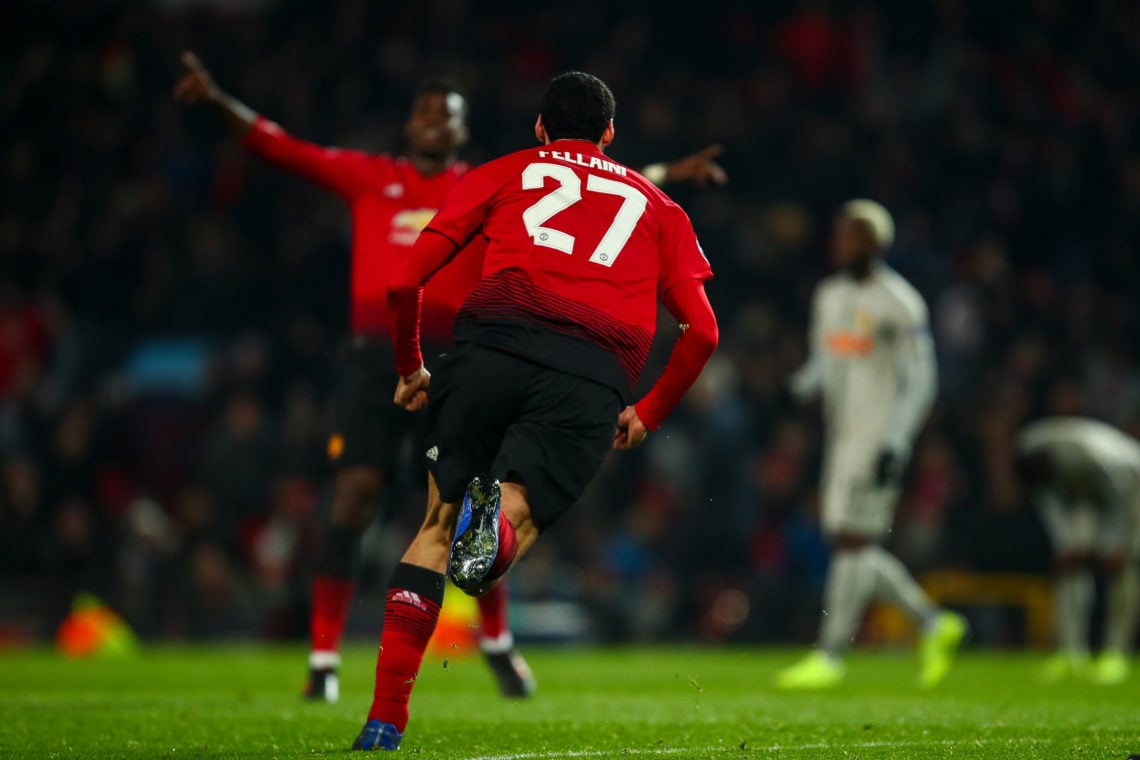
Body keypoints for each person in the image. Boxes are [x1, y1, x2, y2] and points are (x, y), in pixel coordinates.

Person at [173, 53, 727, 704]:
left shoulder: (491, 177)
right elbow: (282, 147)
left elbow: (567, 191)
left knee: (444, 513)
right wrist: (215, 101)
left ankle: (457, 667)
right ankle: (324, 660)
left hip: (464, 352)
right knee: (388, 502)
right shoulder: (371, 177)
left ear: (521, 128)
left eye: (448, 114)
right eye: (425, 111)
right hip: (398, 357)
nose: (434, 121)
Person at [351, 70, 719, 751]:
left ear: (541, 129)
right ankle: (498, 520)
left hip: (490, 351)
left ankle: (384, 720)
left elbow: (405, 281)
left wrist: (410, 368)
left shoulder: (504, 172)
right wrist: (650, 411)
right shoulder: (660, 207)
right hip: (590, 376)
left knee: (433, 527)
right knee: (509, 519)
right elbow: (704, 331)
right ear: (611, 134)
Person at [776, 199, 967, 690]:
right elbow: (824, 363)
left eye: (853, 236)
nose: (842, 244)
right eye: (840, 235)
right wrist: (793, 388)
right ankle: (933, 622)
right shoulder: (830, 295)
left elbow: (921, 381)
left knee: (850, 541)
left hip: (879, 437)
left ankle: (831, 655)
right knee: (848, 541)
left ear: (877, 243)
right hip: (842, 438)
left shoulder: (899, 302)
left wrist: (896, 442)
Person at [1014, 417, 1140, 685]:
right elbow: (1046, 499)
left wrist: (1114, 545)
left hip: (1131, 481)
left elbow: (1121, 496)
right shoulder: (1028, 454)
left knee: (1124, 567)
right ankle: (1071, 654)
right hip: (1087, 495)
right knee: (1070, 567)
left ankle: (1115, 655)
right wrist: (1064, 546)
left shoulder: (1091, 456)